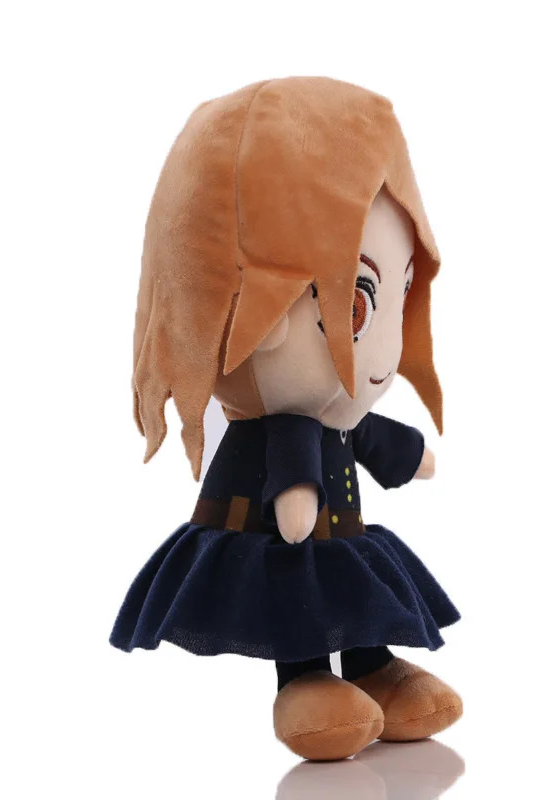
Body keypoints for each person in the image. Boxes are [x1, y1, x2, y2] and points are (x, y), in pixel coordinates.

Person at [110, 76, 462, 761]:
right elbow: (295, 482)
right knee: (296, 602)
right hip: (281, 540)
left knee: (352, 591)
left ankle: (374, 669)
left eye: (399, 296)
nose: (386, 353)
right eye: (356, 305)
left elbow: (364, 437)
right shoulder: (289, 426)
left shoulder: (335, 419)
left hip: (335, 536)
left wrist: (409, 454)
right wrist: (296, 493)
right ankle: (304, 681)